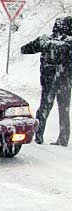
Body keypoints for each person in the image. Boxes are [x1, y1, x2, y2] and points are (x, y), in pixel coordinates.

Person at [21, 16, 72, 146]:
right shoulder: (70, 43)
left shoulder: (44, 40)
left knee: (44, 108)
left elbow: (26, 49)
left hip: (48, 82)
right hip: (65, 82)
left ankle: (38, 135)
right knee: (64, 111)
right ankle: (63, 139)